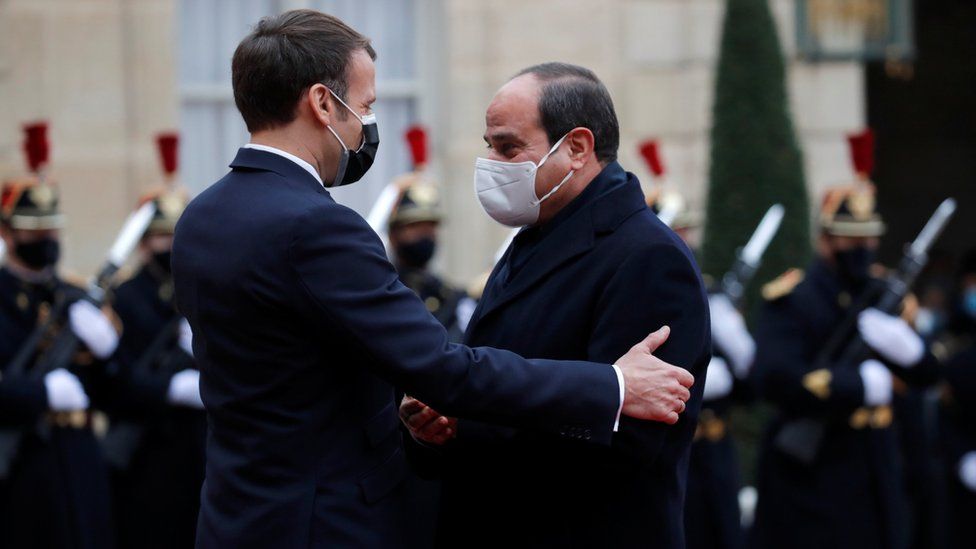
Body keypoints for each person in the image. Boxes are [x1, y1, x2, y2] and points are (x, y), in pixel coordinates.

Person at [170, 10, 695, 548]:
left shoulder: (202, 218)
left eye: (506, 147)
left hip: (236, 517)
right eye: (366, 107)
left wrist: (440, 422)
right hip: (321, 522)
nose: (365, 127)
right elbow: (441, 368)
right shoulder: (316, 226)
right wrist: (612, 385)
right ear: (324, 103)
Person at [399, 63, 711, 549]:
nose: (491, 162)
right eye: (489, 145)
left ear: (576, 148)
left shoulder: (648, 256)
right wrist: (433, 428)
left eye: (507, 147)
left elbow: (628, 440)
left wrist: (466, 419)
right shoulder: (536, 235)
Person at [750, 181, 940, 549]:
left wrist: (913, 355)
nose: (863, 247)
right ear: (826, 240)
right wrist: (856, 385)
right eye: (851, 239)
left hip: (877, 465)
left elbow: (929, 378)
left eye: (869, 238)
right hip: (815, 476)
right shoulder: (795, 299)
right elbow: (774, 376)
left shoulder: (884, 294)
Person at [0, 122, 118, 549]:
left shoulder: (72, 294)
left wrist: (108, 353)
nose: (46, 238)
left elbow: (114, 391)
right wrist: (40, 394)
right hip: (23, 458)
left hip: (78, 451)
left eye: (51, 228)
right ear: (7, 231)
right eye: (33, 229)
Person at [643, 158, 753, 549]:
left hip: (717, 447)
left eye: (687, 230)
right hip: (671, 450)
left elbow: (751, 385)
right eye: (676, 230)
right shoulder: (638, 297)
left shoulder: (708, 295)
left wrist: (739, 357)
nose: (684, 240)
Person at [105, 134, 206, 549]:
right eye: (162, 236)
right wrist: (172, 388)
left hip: (198, 450)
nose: (170, 245)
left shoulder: (198, 290)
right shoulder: (126, 297)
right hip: (147, 450)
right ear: (144, 241)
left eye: (176, 235)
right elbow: (117, 382)